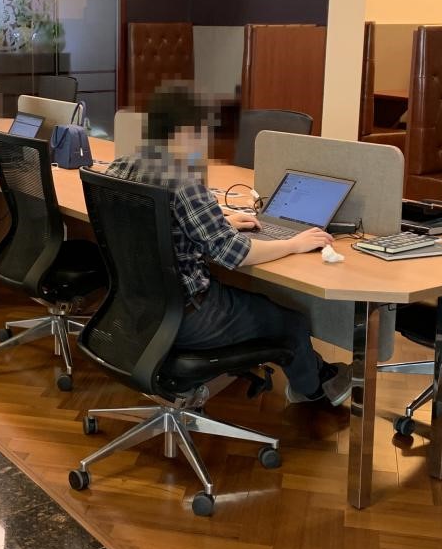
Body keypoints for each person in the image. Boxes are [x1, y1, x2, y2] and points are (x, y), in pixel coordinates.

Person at [105, 85, 351, 409]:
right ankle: (313, 388)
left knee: (255, 301)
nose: (204, 142)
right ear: (184, 131)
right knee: (291, 322)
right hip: (188, 317)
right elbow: (236, 254)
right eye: (202, 132)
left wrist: (219, 219)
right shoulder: (182, 179)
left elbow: (156, 221)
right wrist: (294, 243)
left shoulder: (121, 167)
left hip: (136, 307)